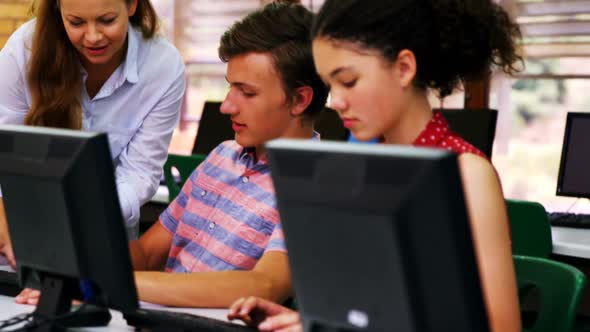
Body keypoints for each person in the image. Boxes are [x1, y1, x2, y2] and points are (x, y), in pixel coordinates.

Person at [229, 0, 523, 331]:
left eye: (349, 81)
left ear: (403, 68)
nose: (336, 101)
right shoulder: (361, 168)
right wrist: (308, 322)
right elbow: (372, 312)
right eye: (331, 84)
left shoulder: (465, 173)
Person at [15, 1, 329, 308]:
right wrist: (71, 273)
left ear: (300, 100)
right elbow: (148, 254)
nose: (226, 106)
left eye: (247, 93)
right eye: (230, 88)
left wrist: (107, 284)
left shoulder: (314, 186)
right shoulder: (222, 157)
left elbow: (263, 286)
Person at [0, 0, 186, 266]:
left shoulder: (163, 67)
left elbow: (140, 173)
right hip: (14, 233)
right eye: (76, 22)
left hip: (102, 236)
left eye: (107, 20)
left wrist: (80, 213)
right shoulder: (24, 51)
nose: (93, 36)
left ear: (132, 5)